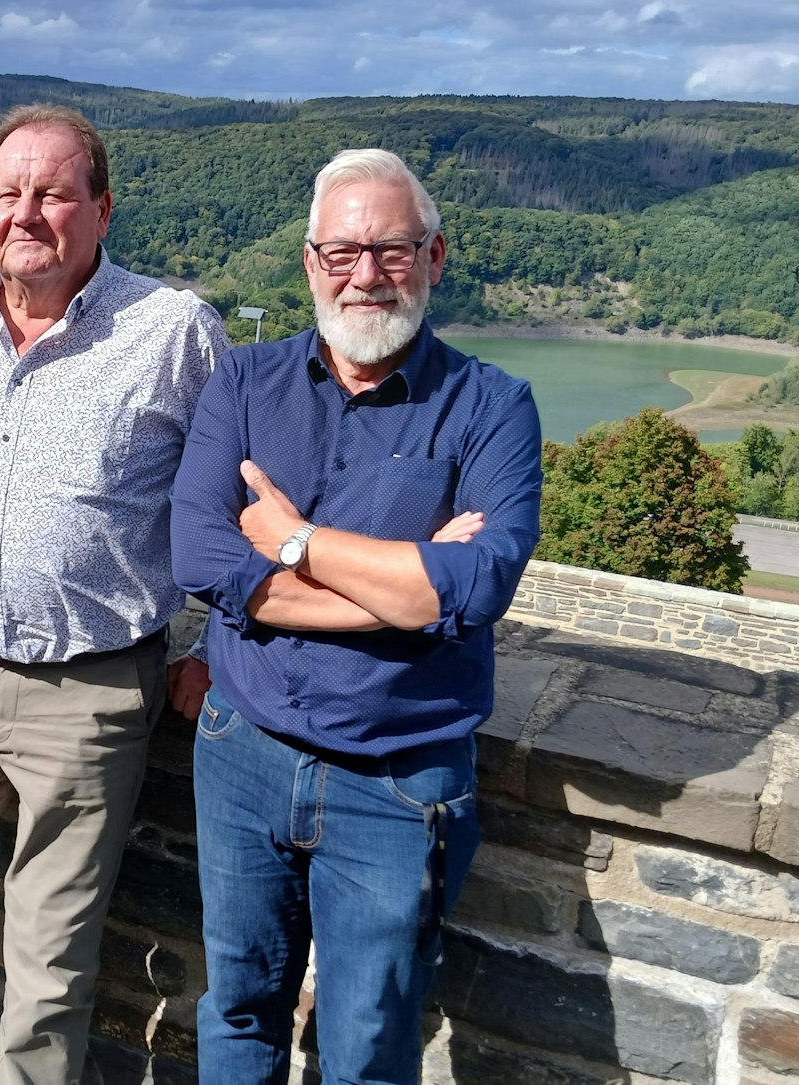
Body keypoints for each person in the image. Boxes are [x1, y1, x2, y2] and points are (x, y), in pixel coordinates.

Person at [0, 103, 227, 1084]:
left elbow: (233, 500)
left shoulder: (171, 332)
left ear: (100, 210)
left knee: (50, 962)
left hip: (91, 693)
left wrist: (212, 640)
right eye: (7, 192)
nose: (26, 212)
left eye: (53, 193)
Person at [169, 147, 544, 1084]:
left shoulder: (493, 407)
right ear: (308, 262)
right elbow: (200, 555)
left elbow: (476, 586)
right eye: (341, 253)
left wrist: (295, 540)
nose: (365, 275)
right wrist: (402, 596)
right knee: (238, 1007)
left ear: (435, 257)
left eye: (391, 250)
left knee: (369, 1046)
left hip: (399, 781)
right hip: (242, 750)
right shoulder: (245, 383)